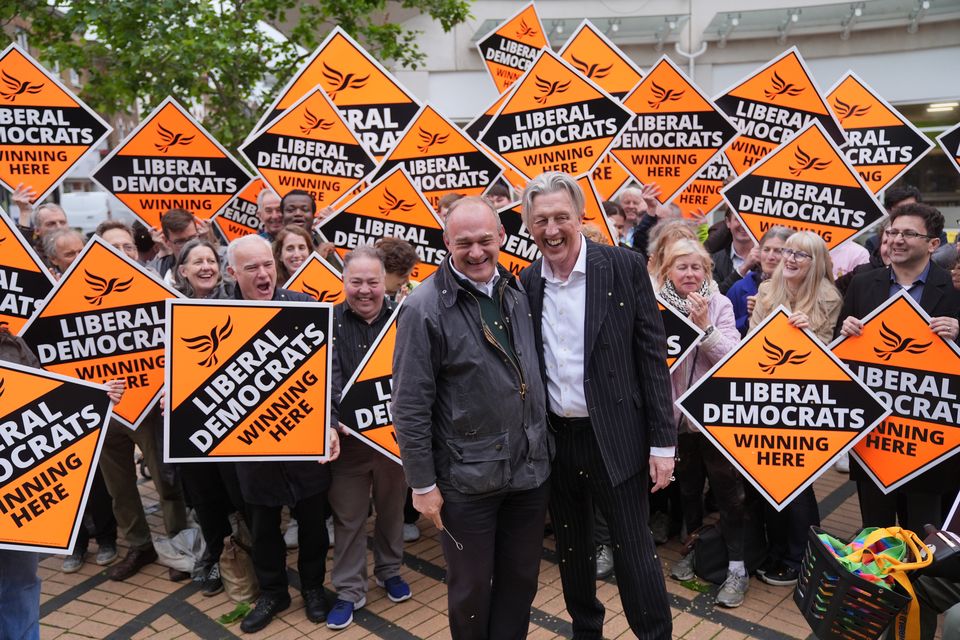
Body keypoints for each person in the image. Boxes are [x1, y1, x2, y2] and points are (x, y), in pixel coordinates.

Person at [519, 172, 675, 639]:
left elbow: (651, 355)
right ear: (528, 224)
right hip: (558, 441)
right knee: (572, 549)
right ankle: (586, 631)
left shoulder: (623, 266)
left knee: (634, 549)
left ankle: (654, 635)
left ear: (580, 217)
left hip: (617, 436)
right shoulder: (527, 281)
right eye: (541, 219)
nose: (551, 229)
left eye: (561, 217)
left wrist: (663, 445)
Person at [392, 196, 551, 639]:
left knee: (521, 583)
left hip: (529, 472)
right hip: (466, 481)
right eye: (464, 243)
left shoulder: (516, 290)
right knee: (472, 590)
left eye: (485, 240)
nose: (477, 252)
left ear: (502, 237)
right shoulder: (423, 308)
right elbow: (408, 404)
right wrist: (422, 485)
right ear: (446, 242)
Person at [224, 235, 340, 633]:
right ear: (232, 273)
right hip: (251, 451)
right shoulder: (213, 318)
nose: (263, 273)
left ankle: (312, 587)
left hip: (304, 444)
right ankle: (273, 592)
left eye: (267, 264)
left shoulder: (305, 308)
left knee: (312, 523)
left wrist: (330, 423)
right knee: (263, 526)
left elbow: (330, 374)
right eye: (252, 267)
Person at [837, 203, 960, 534]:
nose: (896, 239)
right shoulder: (864, 284)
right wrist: (845, 331)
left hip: (929, 439)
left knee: (923, 535)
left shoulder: (953, 289)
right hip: (874, 438)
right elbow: (840, 353)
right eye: (892, 232)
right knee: (873, 533)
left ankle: (918, 587)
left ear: (933, 244)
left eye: (909, 233)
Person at [0, 325, 123, 640]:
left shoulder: (13, 346)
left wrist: (98, 397)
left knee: (20, 583)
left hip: (14, 498)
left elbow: (50, 401)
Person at [89, 221, 190, 583]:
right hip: (105, 408)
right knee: (118, 484)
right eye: (112, 247)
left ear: (137, 249)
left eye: (128, 247)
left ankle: (182, 544)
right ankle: (139, 544)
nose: (123, 253)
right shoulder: (82, 295)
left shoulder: (162, 288)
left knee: (166, 480)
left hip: (149, 406)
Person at [655, 239, 746, 606]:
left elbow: (732, 355)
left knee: (728, 492)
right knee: (688, 489)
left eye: (697, 268)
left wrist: (705, 326)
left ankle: (737, 565)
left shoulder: (720, 304)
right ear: (667, 272)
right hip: (676, 419)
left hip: (715, 418)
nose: (690, 274)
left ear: (707, 271)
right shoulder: (658, 307)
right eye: (682, 267)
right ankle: (694, 546)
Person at [326, 247, 411, 630]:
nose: (364, 290)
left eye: (372, 282)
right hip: (348, 444)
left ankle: (390, 570)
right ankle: (348, 589)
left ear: (386, 283)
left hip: (395, 442)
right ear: (343, 282)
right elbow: (325, 379)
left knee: (393, 510)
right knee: (349, 517)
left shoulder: (405, 319)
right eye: (356, 282)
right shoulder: (327, 322)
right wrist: (332, 420)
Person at [751, 231, 842, 585]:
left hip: (804, 403)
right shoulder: (766, 291)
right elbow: (754, 342)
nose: (789, 258)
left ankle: (799, 557)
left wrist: (809, 337)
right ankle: (774, 551)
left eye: (800, 255)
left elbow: (830, 356)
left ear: (816, 262)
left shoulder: (828, 297)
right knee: (769, 478)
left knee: (798, 481)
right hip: (766, 398)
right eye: (788, 251)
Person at [172, 238, 246, 596]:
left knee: (240, 491)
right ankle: (216, 554)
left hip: (234, 415)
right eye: (196, 261)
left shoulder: (239, 302)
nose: (206, 266)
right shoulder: (167, 307)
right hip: (189, 421)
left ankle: (246, 553)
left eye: (211, 260)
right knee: (204, 496)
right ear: (182, 270)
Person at [725, 226, 793, 336]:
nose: (770, 257)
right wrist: (749, 319)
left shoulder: (802, 289)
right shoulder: (740, 288)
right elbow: (724, 332)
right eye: (766, 250)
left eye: (778, 251)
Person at [711, 208, 760, 294]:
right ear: (728, 222)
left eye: (749, 219)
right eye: (738, 219)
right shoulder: (714, 260)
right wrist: (743, 268)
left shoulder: (767, 257)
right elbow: (716, 295)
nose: (743, 224)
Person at [375, 236, 420, 304]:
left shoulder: (416, 290)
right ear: (383, 271)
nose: (407, 281)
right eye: (403, 276)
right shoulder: (363, 294)